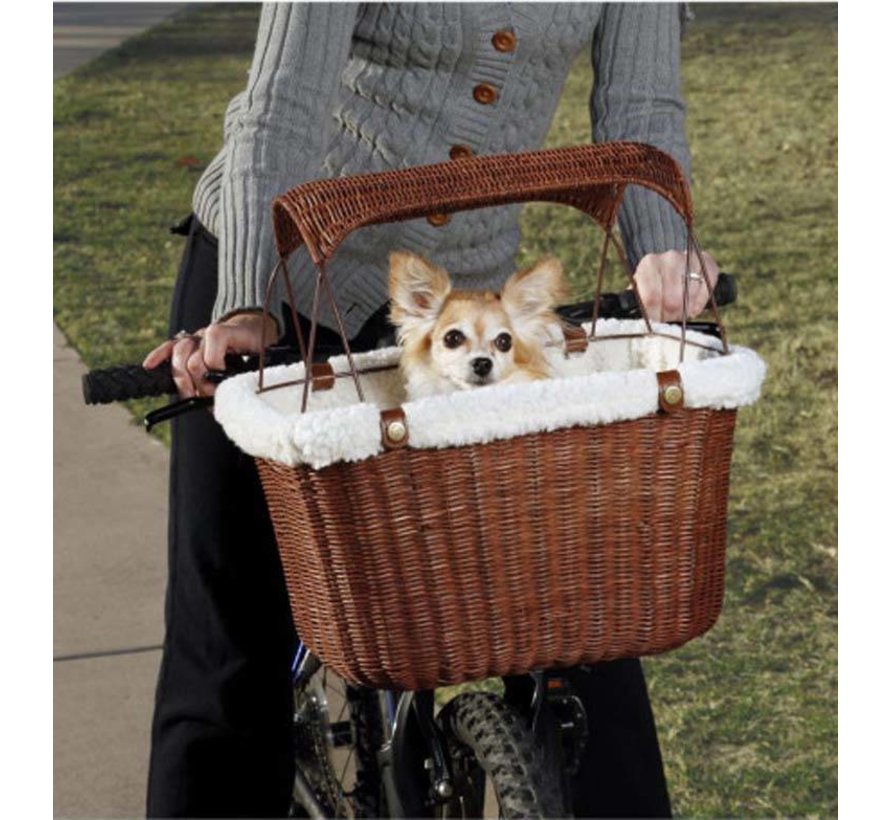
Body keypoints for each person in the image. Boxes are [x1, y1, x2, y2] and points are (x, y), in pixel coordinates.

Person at [143, 3, 719, 817]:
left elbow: (641, 109)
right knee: (231, 647)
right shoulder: (258, 291)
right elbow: (279, 111)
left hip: (462, 314)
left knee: (576, 620)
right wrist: (246, 301)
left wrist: (665, 257)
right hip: (282, 280)